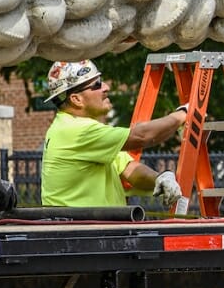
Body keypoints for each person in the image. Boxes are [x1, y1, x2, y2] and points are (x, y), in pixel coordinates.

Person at [40, 60, 184, 209]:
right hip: (83, 230)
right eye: (97, 85)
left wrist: (160, 178)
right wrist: (183, 114)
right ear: (76, 99)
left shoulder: (77, 129)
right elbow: (142, 136)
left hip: (92, 229)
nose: (106, 87)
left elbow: (129, 169)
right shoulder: (75, 130)